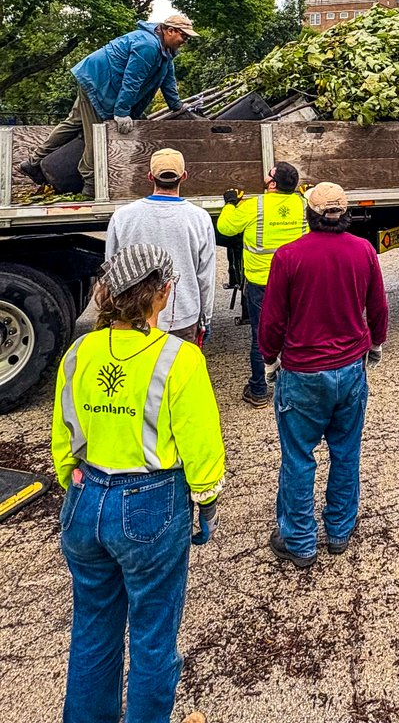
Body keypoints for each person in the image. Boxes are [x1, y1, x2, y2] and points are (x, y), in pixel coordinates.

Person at [51, 244, 226, 723]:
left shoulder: (79, 351)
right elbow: (201, 443)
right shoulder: (180, 359)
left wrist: (74, 479)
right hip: (149, 504)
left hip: (86, 501)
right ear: (163, 293)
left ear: (107, 292)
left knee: (92, 630)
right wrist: (206, 500)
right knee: (152, 636)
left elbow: (64, 432)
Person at [259, 181, 388, 569]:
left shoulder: (288, 256)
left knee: (298, 457)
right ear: (345, 215)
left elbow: (272, 320)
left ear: (309, 216)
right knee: (345, 452)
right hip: (350, 370)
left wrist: (269, 360)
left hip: (302, 372)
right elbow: (378, 307)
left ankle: (299, 542)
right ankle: (338, 531)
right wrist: (376, 344)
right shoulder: (363, 251)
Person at [19, 13, 199, 199]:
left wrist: (177, 106)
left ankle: (32, 163)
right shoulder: (148, 46)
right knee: (98, 135)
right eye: (183, 36)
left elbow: (167, 80)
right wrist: (122, 113)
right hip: (99, 84)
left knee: (74, 123)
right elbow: (132, 80)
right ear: (170, 31)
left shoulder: (165, 52)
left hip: (95, 79)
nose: (185, 40)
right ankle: (90, 187)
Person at [217, 161, 309, 405]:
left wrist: (229, 203)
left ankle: (259, 390)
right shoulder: (302, 205)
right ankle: (294, 387)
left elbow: (225, 228)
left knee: (262, 336)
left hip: (261, 283)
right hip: (293, 282)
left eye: (269, 176)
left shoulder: (254, 205)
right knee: (292, 332)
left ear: (273, 184)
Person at [105, 148, 217, 345]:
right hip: (183, 317)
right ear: (184, 176)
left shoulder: (123, 216)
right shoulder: (200, 218)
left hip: (134, 316)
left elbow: (112, 271)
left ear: (150, 176)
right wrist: (205, 318)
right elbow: (205, 277)